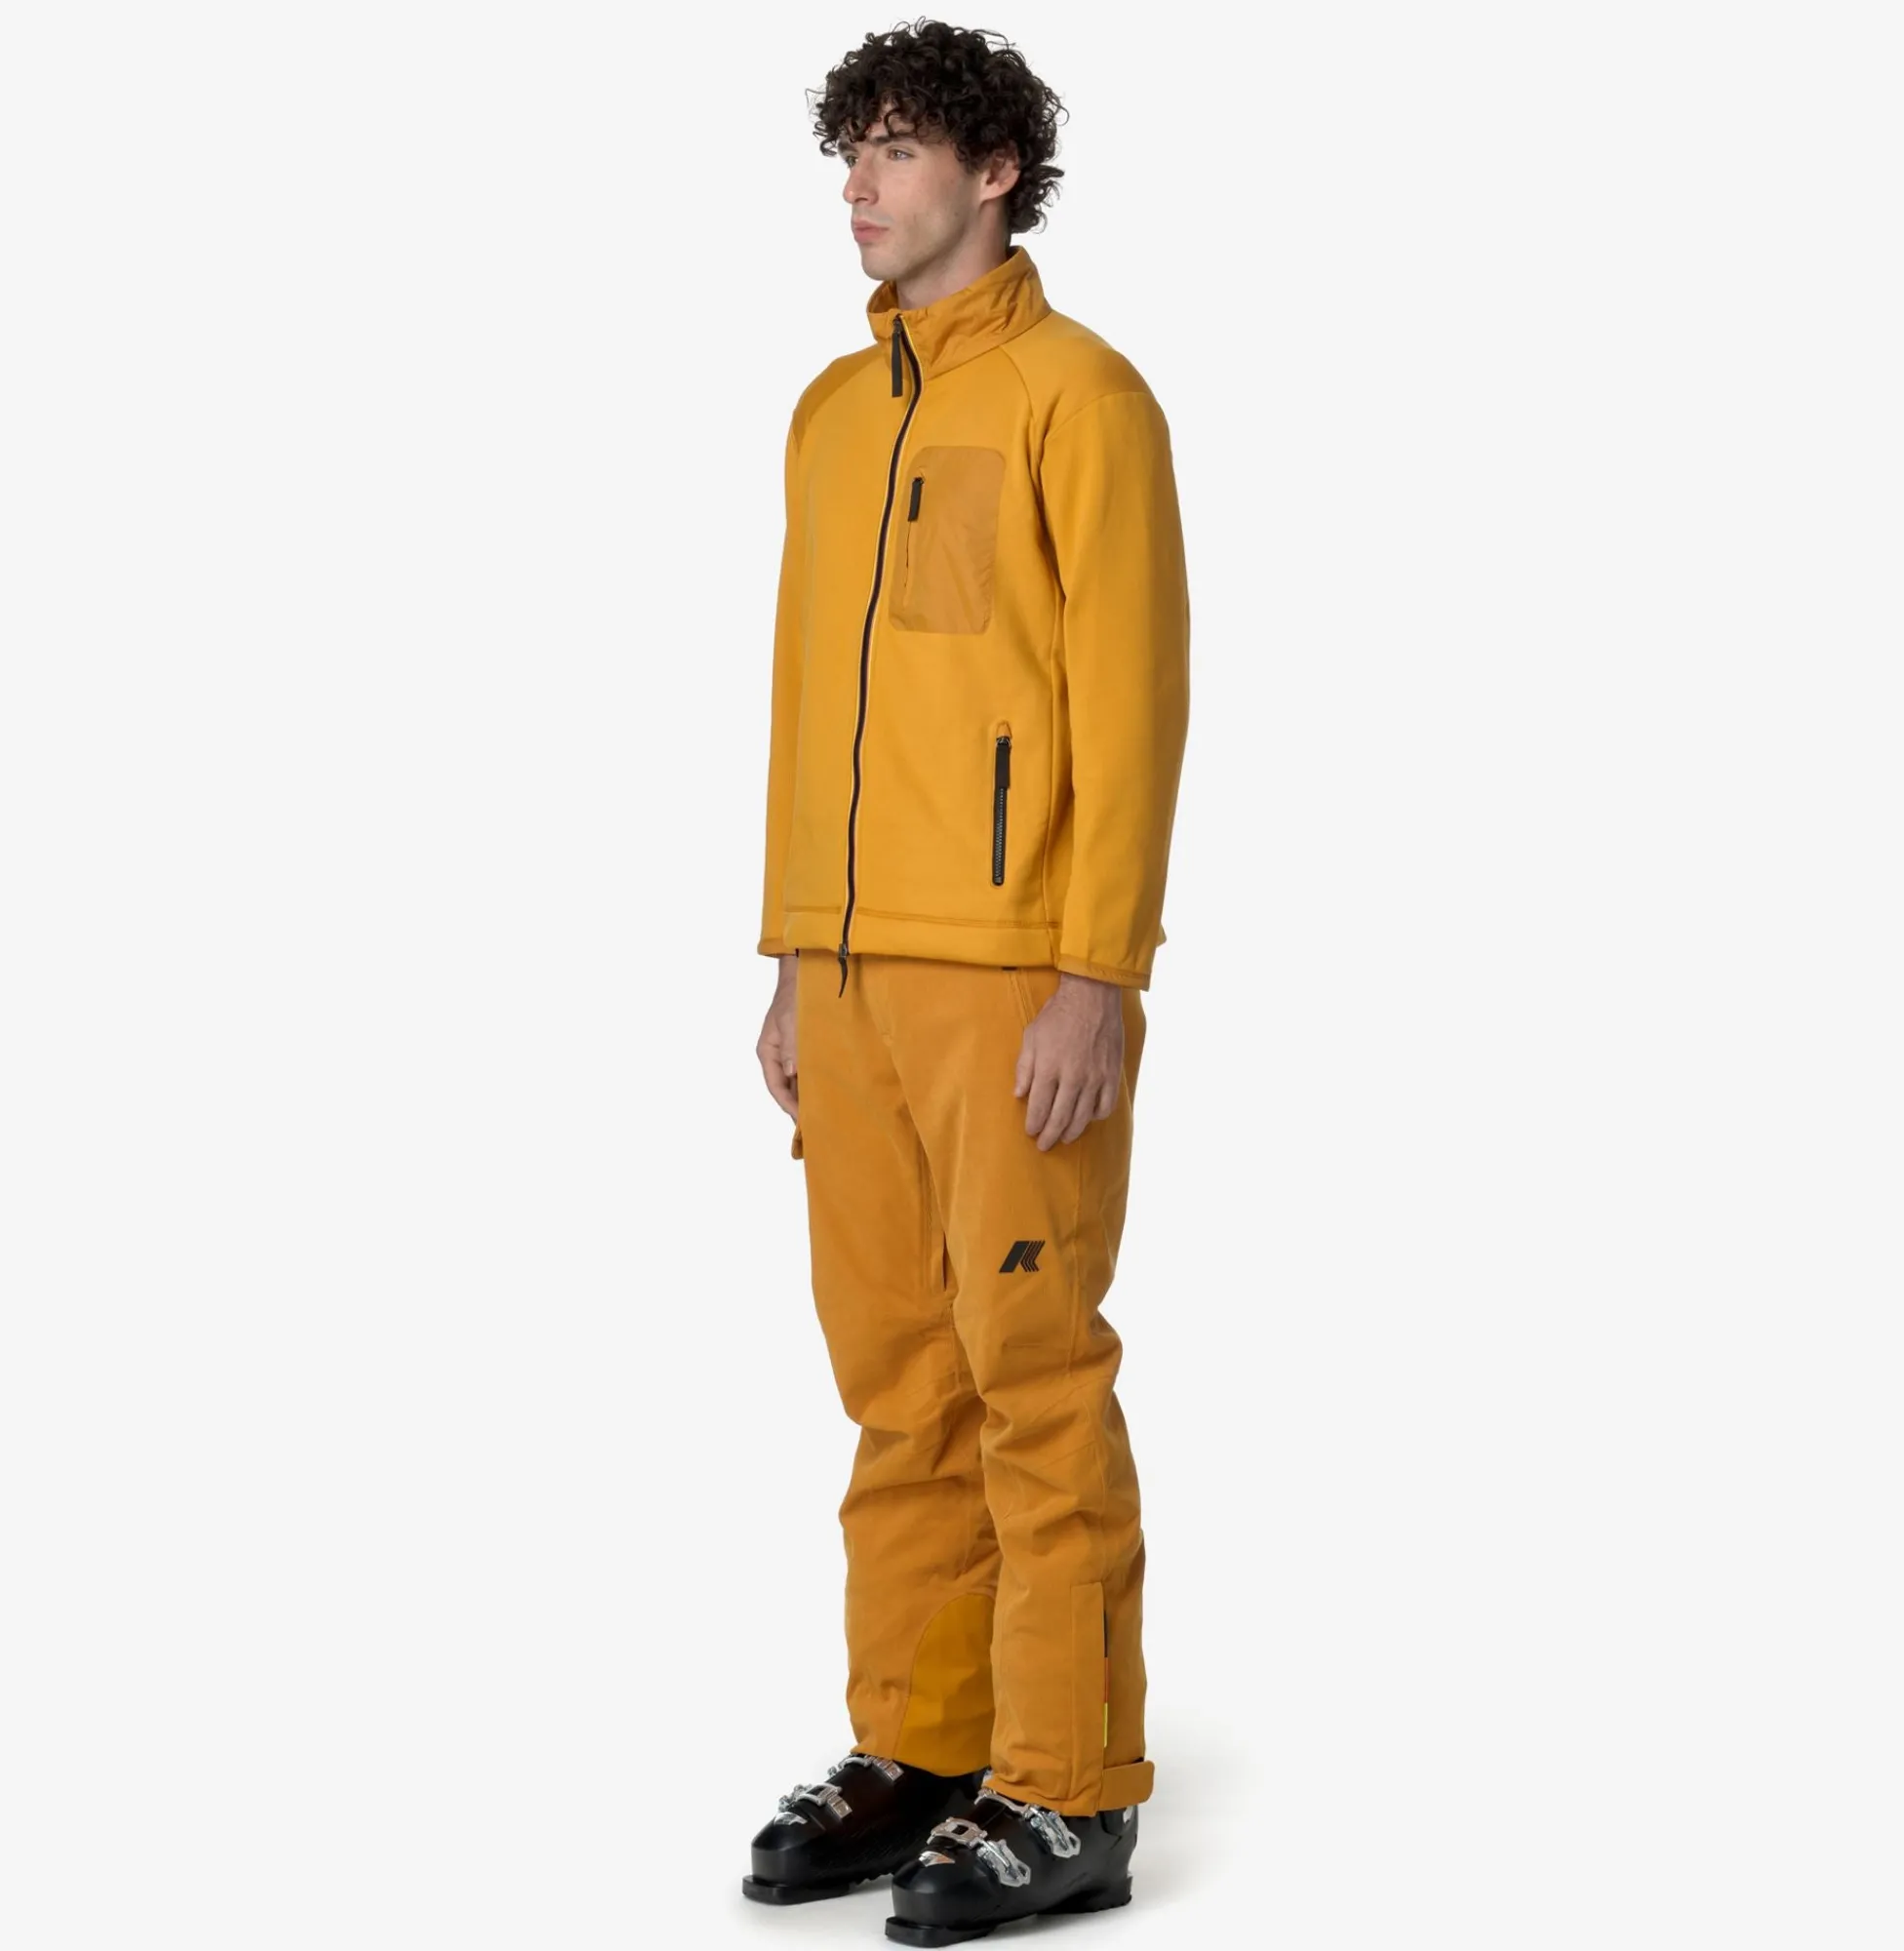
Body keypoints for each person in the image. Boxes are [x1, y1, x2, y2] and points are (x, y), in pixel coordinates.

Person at [744, 21, 1190, 1943]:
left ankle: (1069, 1785)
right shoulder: (831, 415)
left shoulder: (1084, 400)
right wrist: (793, 952)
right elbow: (806, 702)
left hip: (1014, 973)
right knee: (896, 1376)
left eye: (900, 148)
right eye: (850, 150)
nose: (861, 184)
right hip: (851, 976)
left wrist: (1099, 972)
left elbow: (1134, 704)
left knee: (1029, 1369)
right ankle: (925, 1741)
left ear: (996, 172)